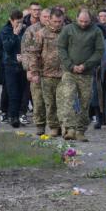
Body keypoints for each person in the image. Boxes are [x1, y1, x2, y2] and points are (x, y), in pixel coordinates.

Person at [56, 8, 105, 142]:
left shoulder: (96, 31)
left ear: (90, 20)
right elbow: (61, 47)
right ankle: (69, 129)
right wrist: (71, 65)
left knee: (85, 101)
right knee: (68, 97)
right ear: (76, 19)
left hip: (86, 73)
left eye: (86, 21)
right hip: (69, 71)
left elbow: (99, 51)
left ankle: (80, 130)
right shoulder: (68, 29)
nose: (83, 24)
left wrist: (86, 65)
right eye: (81, 21)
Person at [31, 8, 66, 137]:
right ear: (50, 20)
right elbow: (34, 53)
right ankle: (53, 126)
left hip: (64, 74)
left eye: (60, 21)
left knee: (64, 102)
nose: (58, 24)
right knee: (50, 103)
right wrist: (34, 72)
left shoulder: (67, 32)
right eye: (55, 21)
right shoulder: (41, 34)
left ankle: (64, 125)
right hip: (47, 74)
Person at [0, 11, 26, 128]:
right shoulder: (5, 31)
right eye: (17, 22)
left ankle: (17, 114)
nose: (19, 24)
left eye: (21, 22)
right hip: (9, 66)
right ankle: (12, 117)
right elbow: (7, 48)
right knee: (12, 93)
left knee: (21, 93)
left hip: (22, 66)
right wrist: (14, 34)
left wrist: (24, 56)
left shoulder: (26, 30)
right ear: (11, 20)